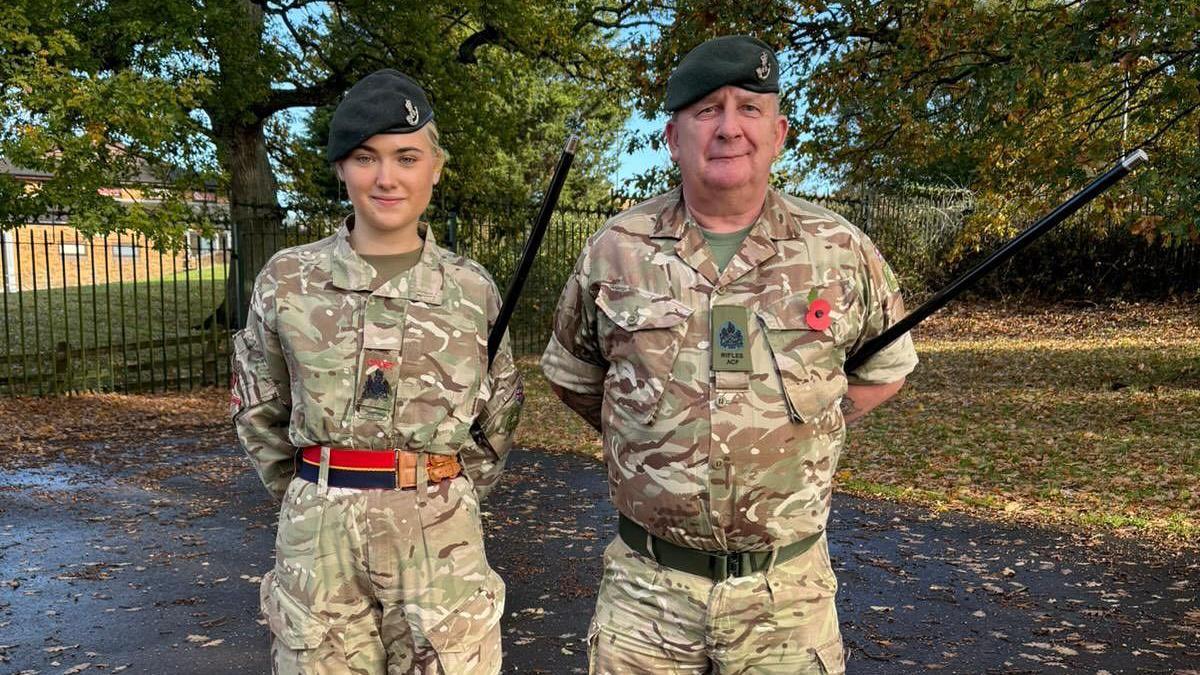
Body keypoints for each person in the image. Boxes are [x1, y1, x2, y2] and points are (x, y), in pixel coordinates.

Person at [541, 36, 918, 674]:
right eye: (706, 110)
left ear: (780, 131)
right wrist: (646, 435)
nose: (728, 127)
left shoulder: (839, 249)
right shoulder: (616, 250)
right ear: (671, 136)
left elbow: (884, 368)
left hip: (786, 599)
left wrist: (801, 427)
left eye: (748, 108)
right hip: (646, 597)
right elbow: (575, 375)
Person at [231, 69, 523, 674]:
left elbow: (498, 416)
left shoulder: (472, 290)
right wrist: (315, 493)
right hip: (319, 538)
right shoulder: (289, 281)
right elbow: (260, 407)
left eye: (406, 157)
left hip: (440, 530)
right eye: (366, 158)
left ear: (434, 168)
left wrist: (441, 488)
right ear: (341, 168)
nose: (386, 177)